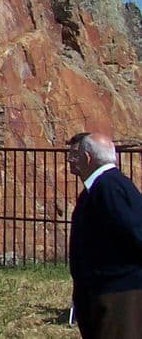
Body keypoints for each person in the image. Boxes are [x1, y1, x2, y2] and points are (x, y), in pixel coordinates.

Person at [67, 132, 142, 337]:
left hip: (117, 295)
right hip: (103, 293)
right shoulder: (99, 188)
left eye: (75, 155)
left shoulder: (109, 188)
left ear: (87, 158)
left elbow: (136, 232)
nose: (70, 160)